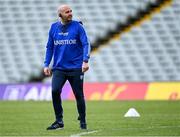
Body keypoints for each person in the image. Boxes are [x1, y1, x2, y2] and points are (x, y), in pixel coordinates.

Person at [43, 4, 90, 130]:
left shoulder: (78, 27)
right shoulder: (53, 27)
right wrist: (46, 64)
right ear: (60, 15)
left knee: (78, 94)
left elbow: (86, 43)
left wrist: (85, 61)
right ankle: (59, 121)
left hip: (75, 67)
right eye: (67, 12)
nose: (70, 13)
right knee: (54, 91)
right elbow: (50, 47)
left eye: (71, 11)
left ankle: (83, 120)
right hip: (59, 68)